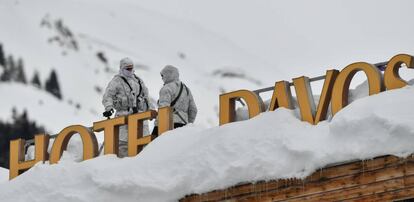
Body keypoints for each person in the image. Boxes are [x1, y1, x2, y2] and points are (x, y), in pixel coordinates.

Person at [102, 57, 151, 157]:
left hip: (140, 116)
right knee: (123, 143)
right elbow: (108, 96)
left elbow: (146, 95)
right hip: (123, 116)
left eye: (131, 68)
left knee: (145, 141)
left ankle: (144, 161)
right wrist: (109, 108)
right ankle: (122, 165)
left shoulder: (138, 81)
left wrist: (150, 110)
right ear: (121, 68)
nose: (130, 70)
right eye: (127, 68)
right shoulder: (116, 81)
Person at [152, 65, 197, 135]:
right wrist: (188, 124)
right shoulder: (187, 90)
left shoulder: (166, 88)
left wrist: (158, 126)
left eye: (163, 75)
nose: (162, 78)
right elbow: (193, 110)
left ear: (169, 74)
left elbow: (164, 109)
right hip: (183, 125)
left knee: (153, 145)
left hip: (168, 125)